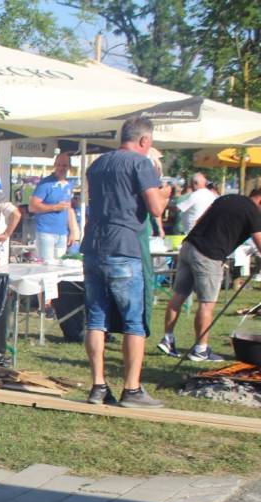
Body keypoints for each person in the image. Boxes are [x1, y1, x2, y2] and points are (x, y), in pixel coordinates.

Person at [80, 116, 167, 408]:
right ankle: (132, 388)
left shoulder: (98, 164)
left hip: (93, 245)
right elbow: (155, 208)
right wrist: (164, 191)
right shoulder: (141, 164)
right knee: (133, 321)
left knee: (96, 318)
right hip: (124, 246)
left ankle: (98, 386)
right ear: (144, 141)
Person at [158, 189, 261, 361]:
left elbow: (199, 219)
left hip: (189, 246)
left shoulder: (226, 198)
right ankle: (200, 350)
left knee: (179, 295)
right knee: (207, 304)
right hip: (209, 255)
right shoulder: (253, 211)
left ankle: (167, 338)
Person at [30, 153, 79, 263]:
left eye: (65, 165)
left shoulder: (69, 185)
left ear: (69, 167)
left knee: (60, 266)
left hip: (62, 232)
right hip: (46, 231)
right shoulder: (45, 183)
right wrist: (55, 207)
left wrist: (73, 231)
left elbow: (69, 209)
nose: (62, 168)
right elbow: (33, 206)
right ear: (55, 165)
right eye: (59, 165)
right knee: (47, 266)